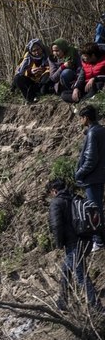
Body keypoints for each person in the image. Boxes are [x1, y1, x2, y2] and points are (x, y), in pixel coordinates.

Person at [47, 179, 100, 310]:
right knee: (66, 270)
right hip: (87, 240)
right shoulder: (76, 198)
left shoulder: (56, 203)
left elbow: (56, 225)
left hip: (74, 244)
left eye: (50, 193)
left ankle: (98, 308)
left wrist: (59, 244)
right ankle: (62, 302)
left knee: (81, 275)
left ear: (54, 191)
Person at [75, 105, 105, 252]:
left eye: (81, 118)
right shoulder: (101, 130)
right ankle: (100, 238)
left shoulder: (93, 134)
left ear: (86, 118)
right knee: (98, 207)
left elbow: (91, 158)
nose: (80, 121)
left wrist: (79, 173)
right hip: (100, 175)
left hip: (92, 177)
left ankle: (98, 240)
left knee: (93, 210)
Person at [12, 39, 52, 103]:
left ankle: (39, 92)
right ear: (31, 51)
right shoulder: (27, 58)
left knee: (44, 89)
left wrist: (44, 70)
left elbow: (53, 67)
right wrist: (30, 71)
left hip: (44, 78)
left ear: (41, 48)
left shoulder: (48, 54)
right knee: (18, 78)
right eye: (34, 51)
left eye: (38, 49)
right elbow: (20, 71)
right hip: (32, 80)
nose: (37, 52)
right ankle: (30, 98)